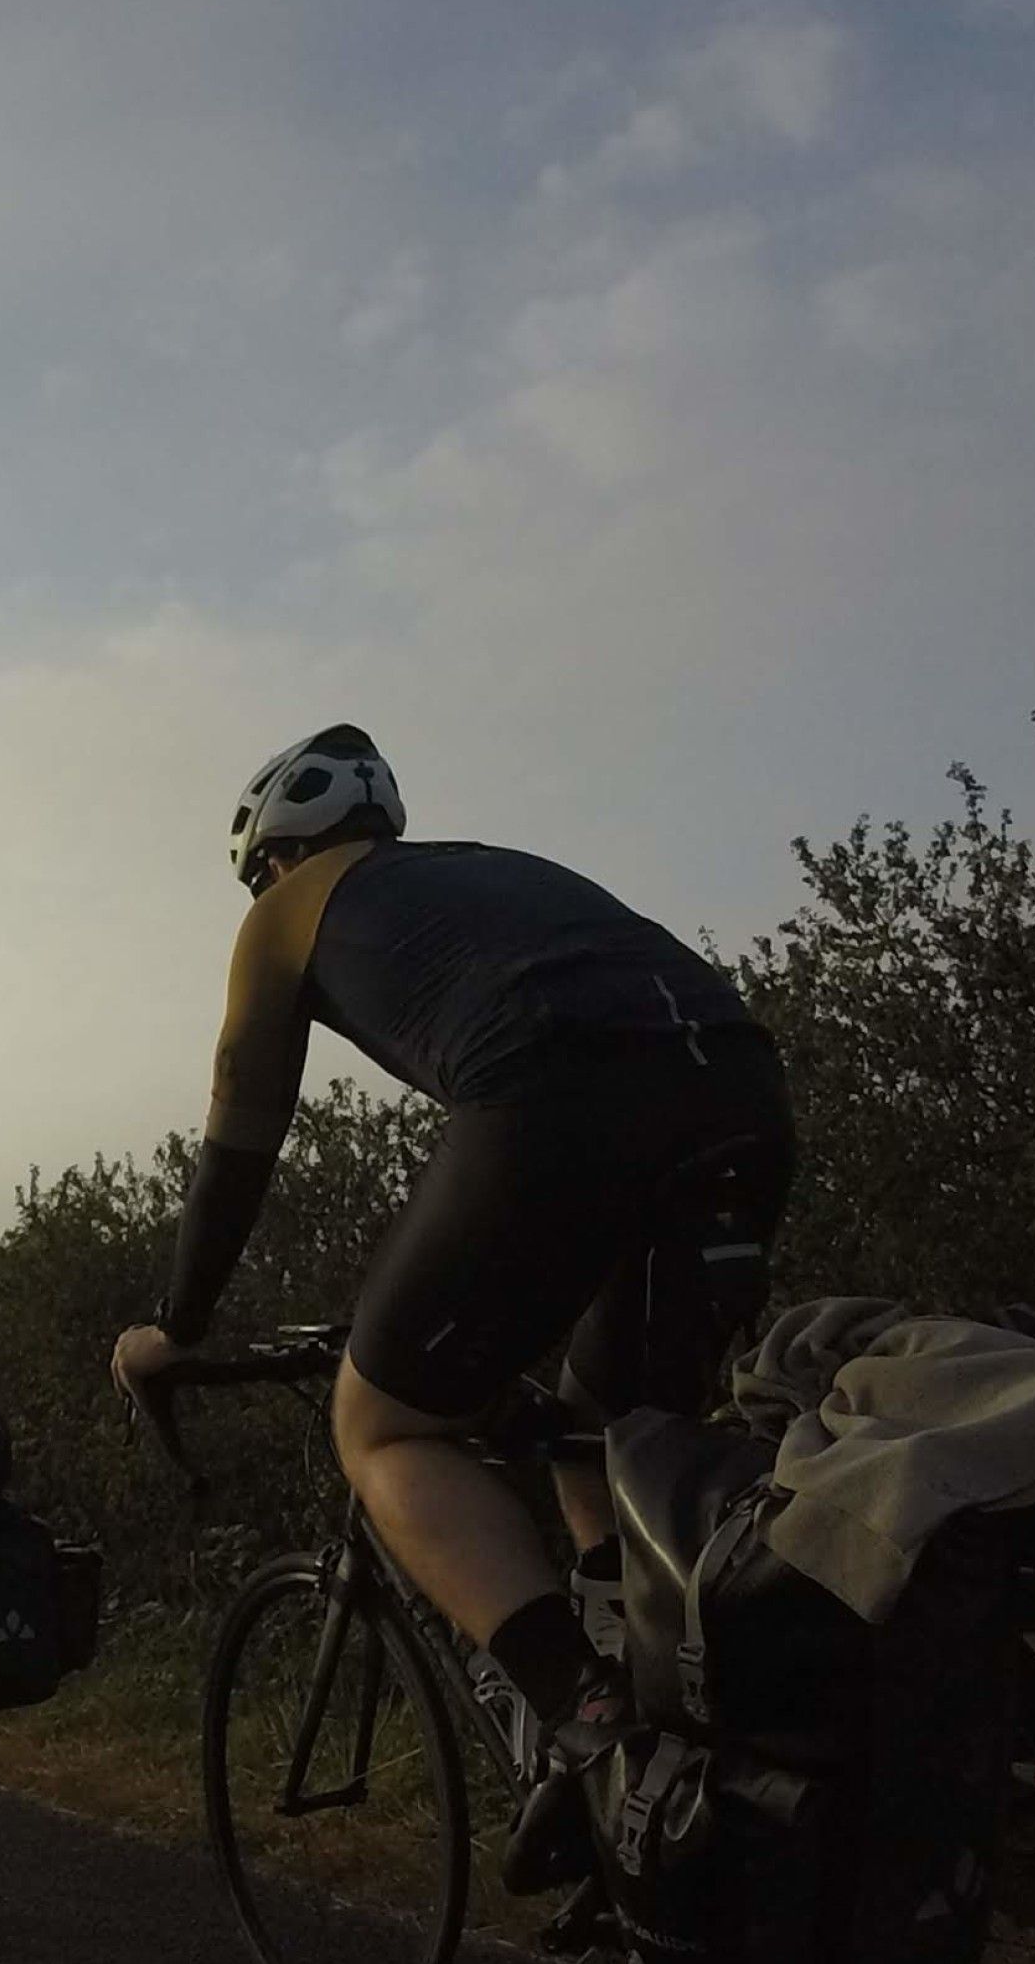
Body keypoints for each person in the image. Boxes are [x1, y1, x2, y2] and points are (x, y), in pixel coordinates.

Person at [105, 725, 793, 1890]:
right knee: (605, 1434)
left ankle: (587, 1726)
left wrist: (175, 1324)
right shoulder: (492, 870)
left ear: (269, 854)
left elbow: (238, 1128)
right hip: (739, 1089)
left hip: (557, 1091)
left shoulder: (284, 910)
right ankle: (678, 1726)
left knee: (378, 1424)